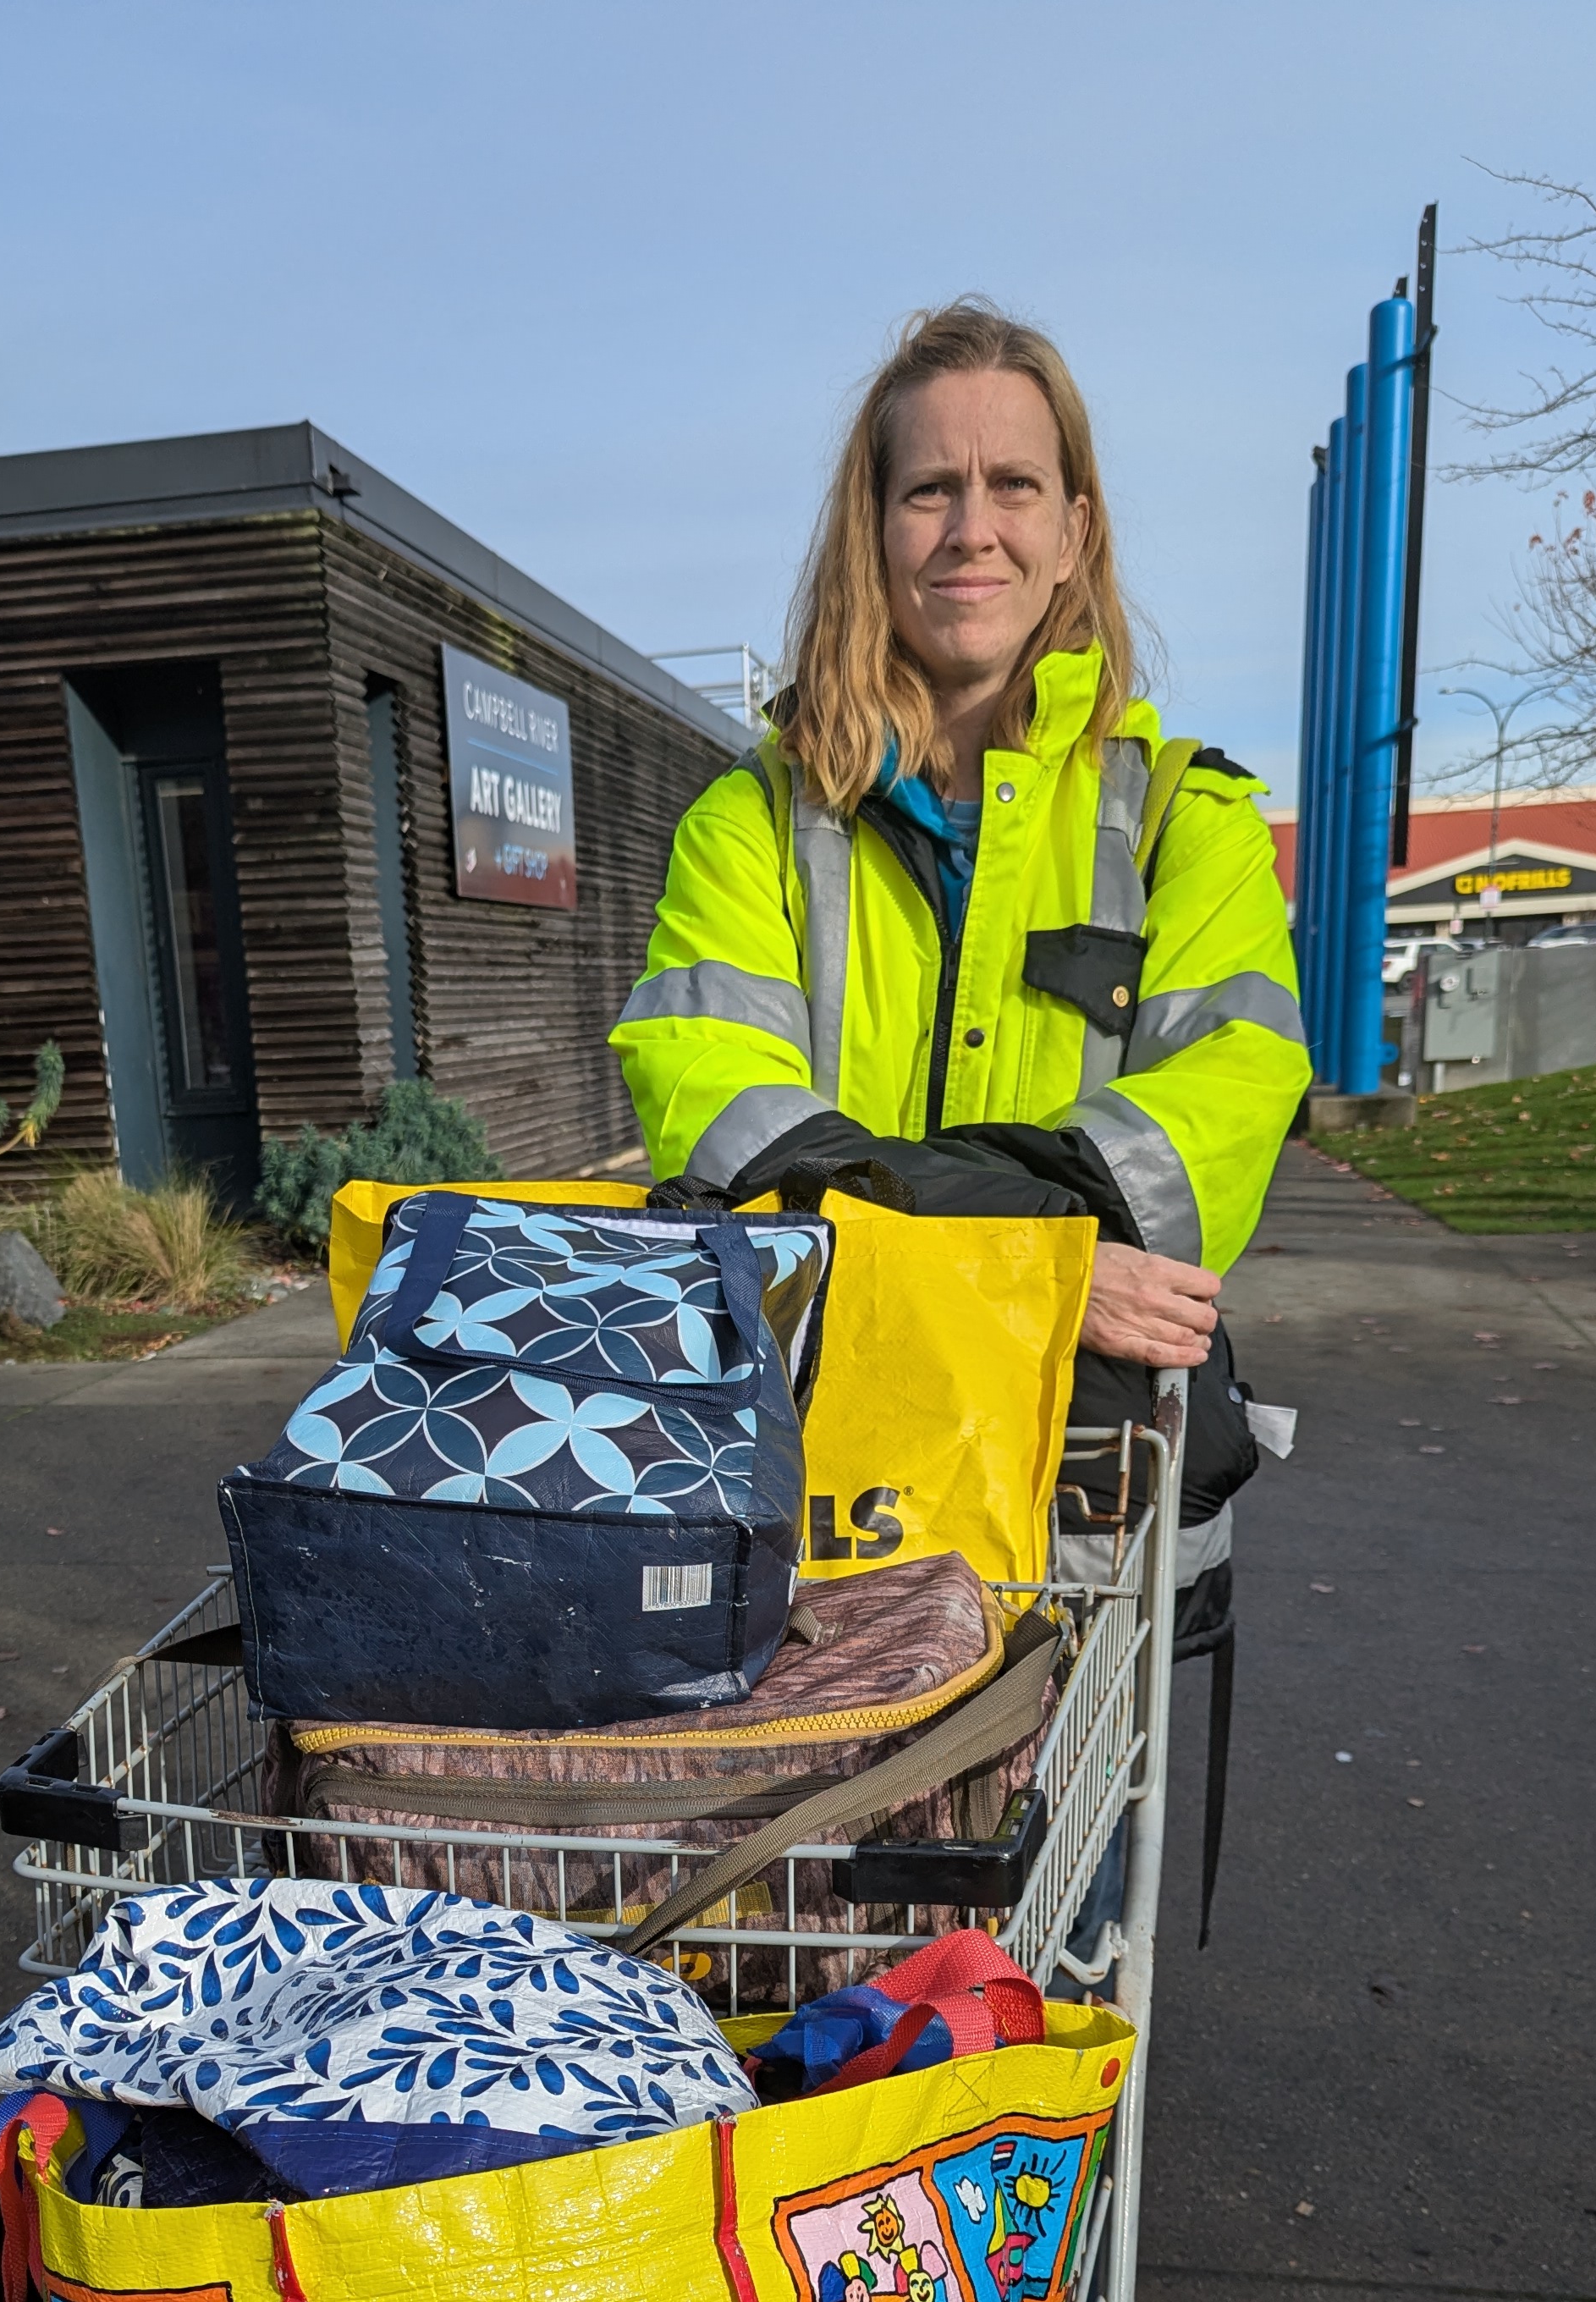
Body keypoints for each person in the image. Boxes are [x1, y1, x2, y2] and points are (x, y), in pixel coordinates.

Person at [611, 302, 1308, 1941]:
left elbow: (1217, 1125)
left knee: (1044, 1942)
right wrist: (1041, 1271)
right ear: (872, 529)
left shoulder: (1189, 825)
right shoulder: (748, 826)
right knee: (789, 1936)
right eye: (928, 488)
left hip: (1073, 1513)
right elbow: (714, 1127)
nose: (970, 527)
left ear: (1075, 530)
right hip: (804, 1496)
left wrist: (878, 1220)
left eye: (1013, 485)